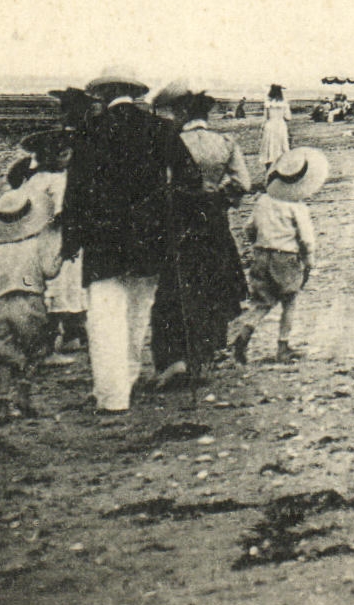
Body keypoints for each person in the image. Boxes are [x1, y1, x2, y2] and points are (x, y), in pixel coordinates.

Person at [60, 67, 202, 415]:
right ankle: (129, 378)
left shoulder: (88, 132)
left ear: (102, 95)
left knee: (105, 319)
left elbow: (75, 194)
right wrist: (170, 216)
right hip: (150, 237)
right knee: (138, 314)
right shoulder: (160, 128)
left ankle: (111, 397)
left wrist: (70, 241)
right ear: (135, 92)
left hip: (102, 240)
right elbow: (191, 179)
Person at [148, 87, 251, 388]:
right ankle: (207, 352)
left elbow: (161, 184)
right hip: (214, 222)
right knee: (214, 283)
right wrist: (218, 197)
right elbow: (242, 182)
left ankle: (176, 358)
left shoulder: (173, 142)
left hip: (178, 222)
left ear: (182, 113)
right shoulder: (225, 142)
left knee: (175, 287)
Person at [231, 147, 328, 364]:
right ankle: (283, 346)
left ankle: (243, 335)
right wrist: (309, 261)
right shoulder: (297, 206)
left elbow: (248, 228)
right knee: (290, 301)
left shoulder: (263, 201)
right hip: (286, 257)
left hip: (261, 254)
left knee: (261, 302)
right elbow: (306, 238)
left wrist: (258, 244)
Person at [0, 188, 64, 419]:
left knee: (3, 352)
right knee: (34, 349)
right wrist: (61, 258)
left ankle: (3, 402)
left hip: (1, 303)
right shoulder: (35, 245)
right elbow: (49, 271)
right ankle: (23, 395)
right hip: (31, 301)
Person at [9, 129, 84, 363]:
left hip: (46, 240)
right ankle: (45, 350)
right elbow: (57, 213)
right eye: (63, 153)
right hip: (54, 240)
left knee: (65, 287)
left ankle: (71, 336)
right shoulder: (54, 181)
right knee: (56, 289)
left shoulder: (36, 179)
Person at [260, 84, 290, 174]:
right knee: (281, 148)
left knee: (269, 149)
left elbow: (265, 118)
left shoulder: (267, 103)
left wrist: (262, 129)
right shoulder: (284, 103)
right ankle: (281, 171)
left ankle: (269, 172)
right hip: (280, 126)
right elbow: (288, 117)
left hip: (270, 126)